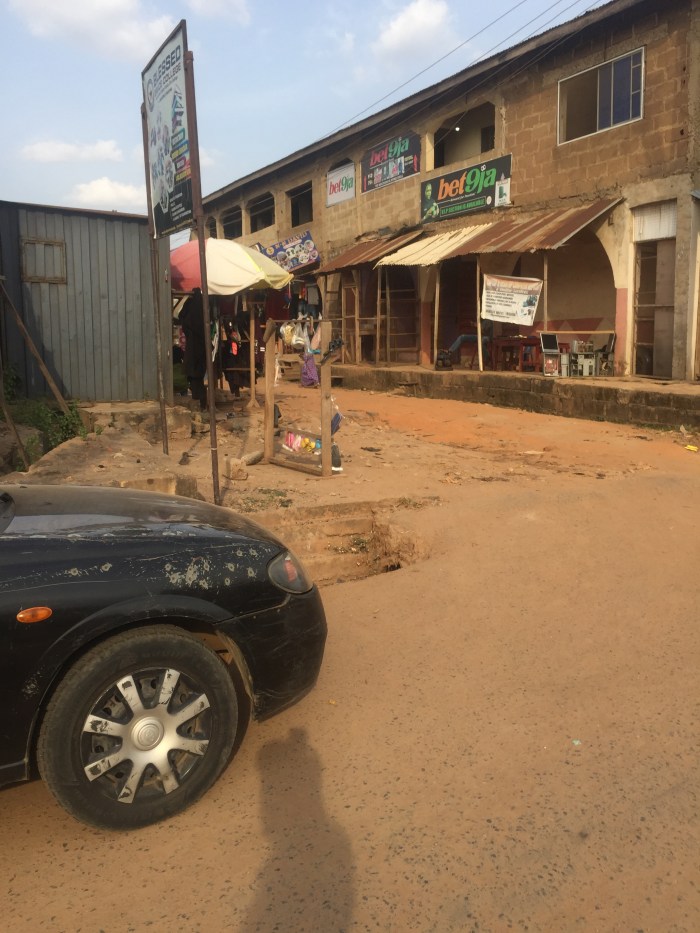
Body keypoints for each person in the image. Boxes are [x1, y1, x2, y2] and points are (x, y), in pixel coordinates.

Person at [179, 287, 207, 409]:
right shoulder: (201, 311)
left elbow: (180, 316)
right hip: (200, 349)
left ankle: (199, 403)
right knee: (197, 378)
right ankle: (201, 403)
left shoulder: (190, 310)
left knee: (195, 377)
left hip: (193, 349)